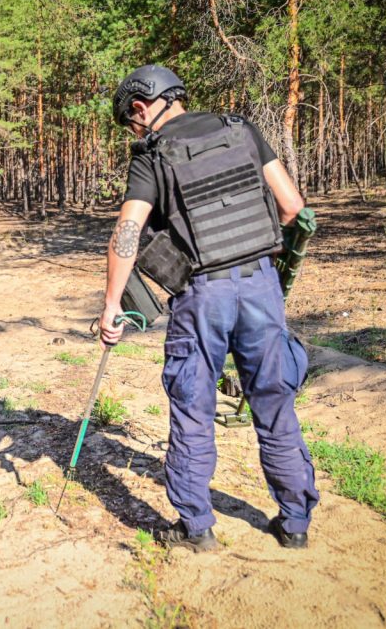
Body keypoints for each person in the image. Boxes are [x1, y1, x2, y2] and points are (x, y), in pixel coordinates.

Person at [100, 65, 319, 552]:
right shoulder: (240, 129)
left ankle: (196, 528)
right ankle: (295, 523)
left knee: (193, 406)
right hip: (260, 285)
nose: (134, 132)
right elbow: (291, 206)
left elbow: (128, 233)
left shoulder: (151, 155)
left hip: (202, 295)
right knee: (274, 403)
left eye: (131, 123)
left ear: (141, 107)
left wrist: (112, 304)